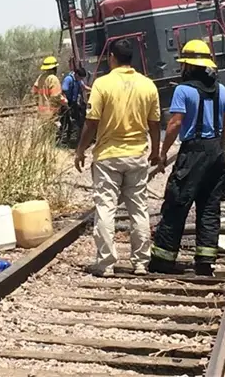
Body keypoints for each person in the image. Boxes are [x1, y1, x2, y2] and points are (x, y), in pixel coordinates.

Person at [74, 39, 161, 277]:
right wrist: (155, 151)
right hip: (136, 155)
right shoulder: (148, 85)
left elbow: (91, 122)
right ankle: (141, 262)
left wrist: (80, 150)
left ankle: (106, 264)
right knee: (139, 209)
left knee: (105, 209)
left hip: (108, 157)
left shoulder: (102, 84)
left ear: (112, 57)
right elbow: (155, 123)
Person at [148, 39, 225, 276]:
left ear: (188, 66)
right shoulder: (222, 90)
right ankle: (205, 262)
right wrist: (220, 149)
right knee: (209, 208)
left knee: (177, 203)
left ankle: (163, 260)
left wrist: (163, 152)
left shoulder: (183, 90)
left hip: (193, 151)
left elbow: (175, 123)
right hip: (215, 152)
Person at [31, 56, 67, 126]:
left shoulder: (40, 77)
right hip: (52, 114)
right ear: (54, 68)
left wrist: (39, 103)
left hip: (42, 113)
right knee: (55, 131)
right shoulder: (53, 79)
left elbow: (34, 92)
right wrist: (65, 102)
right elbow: (56, 96)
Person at [59, 65, 87, 146]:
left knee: (76, 121)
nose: (81, 80)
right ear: (77, 74)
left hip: (73, 103)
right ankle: (63, 141)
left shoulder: (78, 80)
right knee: (66, 122)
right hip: (66, 104)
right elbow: (63, 91)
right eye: (80, 78)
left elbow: (84, 87)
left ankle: (73, 140)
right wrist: (65, 104)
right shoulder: (68, 79)